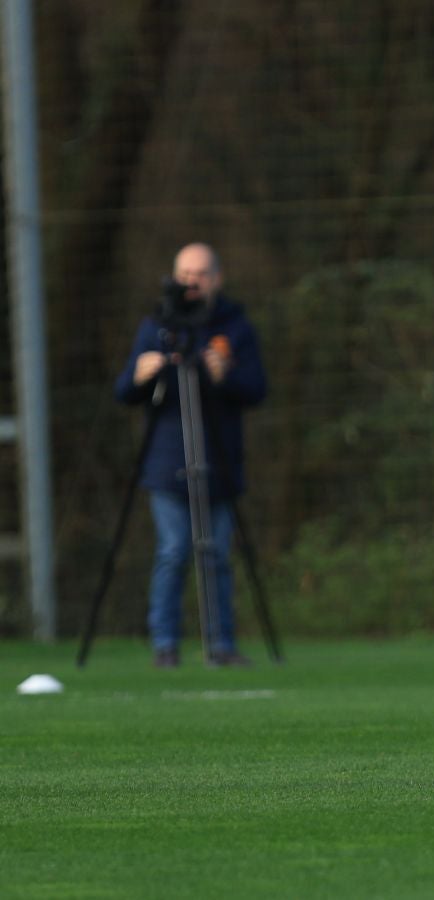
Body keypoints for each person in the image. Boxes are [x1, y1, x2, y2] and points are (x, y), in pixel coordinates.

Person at [114, 243, 267, 668]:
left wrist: (226, 376)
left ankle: (221, 644)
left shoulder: (235, 328)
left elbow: (257, 390)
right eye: (185, 274)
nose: (192, 282)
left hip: (219, 460)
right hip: (166, 461)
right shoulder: (156, 326)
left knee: (216, 551)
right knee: (175, 549)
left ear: (217, 278)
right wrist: (140, 375)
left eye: (200, 274)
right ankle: (165, 644)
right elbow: (124, 391)